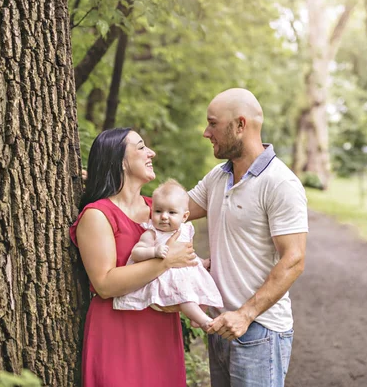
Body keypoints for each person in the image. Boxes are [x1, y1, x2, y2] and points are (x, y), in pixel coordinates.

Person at [188, 88, 308, 387]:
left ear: (240, 125)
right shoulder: (218, 176)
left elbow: (294, 259)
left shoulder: (280, 183)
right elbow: (172, 212)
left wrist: (245, 314)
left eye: (213, 123)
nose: (206, 132)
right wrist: (114, 184)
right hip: (221, 327)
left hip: (259, 331)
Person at [69, 128, 197, 387]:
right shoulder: (98, 215)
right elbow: (104, 284)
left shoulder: (158, 210)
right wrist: (165, 261)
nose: (151, 152)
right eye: (141, 147)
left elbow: (185, 262)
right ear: (120, 162)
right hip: (119, 331)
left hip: (161, 329)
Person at [113, 179, 223, 330]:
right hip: (167, 279)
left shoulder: (185, 230)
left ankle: (198, 316)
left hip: (184, 274)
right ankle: (204, 321)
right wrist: (154, 251)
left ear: (184, 216)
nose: (164, 216)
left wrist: (200, 262)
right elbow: (136, 253)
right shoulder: (152, 233)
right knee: (186, 297)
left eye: (171, 212)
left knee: (204, 286)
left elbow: (187, 254)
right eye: (158, 211)